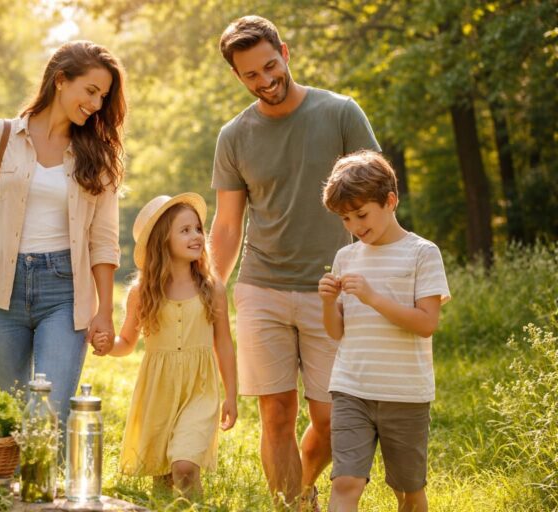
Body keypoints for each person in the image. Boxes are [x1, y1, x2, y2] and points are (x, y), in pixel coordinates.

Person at [210, 15, 381, 509]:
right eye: (250, 75)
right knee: (277, 415)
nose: (265, 81)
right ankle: (292, 505)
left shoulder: (341, 113)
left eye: (269, 66)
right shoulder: (234, 136)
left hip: (333, 288)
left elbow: (378, 195)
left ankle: (301, 489)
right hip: (261, 285)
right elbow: (226, 226)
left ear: (284, 52)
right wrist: (212, 289)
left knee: (333, 419)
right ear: (238, 77)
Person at [0, 40, 126, 426]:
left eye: (103, 96)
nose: (96, 104)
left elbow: (103, 241)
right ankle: (6, 486)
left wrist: (104, 311)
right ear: (60, 81)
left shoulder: (98, 155)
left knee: (46, 415)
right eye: (90, 90)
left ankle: (41, 488)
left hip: (65, 293)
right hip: (0, 289)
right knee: (7, 415)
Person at [318, 150, 450, 512]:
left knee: (408, 492)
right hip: (351, 387)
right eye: (346, 218)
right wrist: (328, 303)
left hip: (404, 393)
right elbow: (337, 332)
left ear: (390, 201)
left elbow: (427, 323)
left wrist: (374, 297)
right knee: (345, 481)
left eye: (361, 214)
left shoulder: (423, 253)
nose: (355, 226)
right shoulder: (347, 257)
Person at [92, 193, 238, 498]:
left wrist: (231, 396)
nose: (197, 236)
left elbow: (223, 343)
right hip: (159, 391)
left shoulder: (212, 288)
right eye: (185, 230)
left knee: (184, 467)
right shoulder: (142, 292)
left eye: (198, 228)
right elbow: (127, 342)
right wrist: (108, 346)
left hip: (199, 388)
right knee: (162, 481)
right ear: (162, 241)